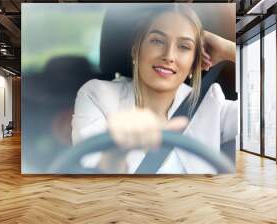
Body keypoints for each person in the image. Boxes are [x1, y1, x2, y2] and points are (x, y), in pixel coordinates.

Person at [71, 4, 237, 174]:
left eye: (184, 47)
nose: (169, 56)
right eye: (157, 41)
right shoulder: (97, 96)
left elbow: (265, 119)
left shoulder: (212, 105)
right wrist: (115, 154)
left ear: (195, 61)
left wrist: (228, 50)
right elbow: (91, 177)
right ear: (136, 49)